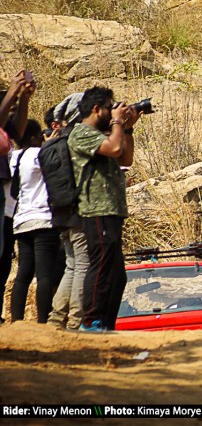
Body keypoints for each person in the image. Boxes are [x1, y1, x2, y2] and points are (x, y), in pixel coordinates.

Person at [69, 87, 139, 331]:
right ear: (96, 109)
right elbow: (114, 149)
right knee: (100, 265)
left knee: (117, 275)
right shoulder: (81, 133)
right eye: (110, 107)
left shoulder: (105, 135)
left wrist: (127, 128)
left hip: (111, 208)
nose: (112, 112)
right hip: (96, 208)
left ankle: (106, 325)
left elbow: (125, 159)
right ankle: (90, 321)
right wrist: (118, 122)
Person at [10, 120, 64, 322]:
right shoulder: (38, 154)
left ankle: (16, 321)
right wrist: (51, 143)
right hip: (43, 220)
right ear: (33, 137)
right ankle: (42, 321)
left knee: (23, 274)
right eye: (40, 136)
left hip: (21, 221)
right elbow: (56, 165)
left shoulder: (14, 156)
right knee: (44, 275)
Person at [46, 93, 88, 330]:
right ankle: (74, 321)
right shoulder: (78, 140)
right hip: (78, 211)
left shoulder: (53, 143)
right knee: (82, 264)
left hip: (59, 213)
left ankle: (56, 318)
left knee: (72, 264)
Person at [0, 70, 35, 322]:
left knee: (3, 260)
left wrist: (23, 99)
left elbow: (18, 132)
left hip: (6, 202)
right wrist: (12, 91)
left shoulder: (5, 133)